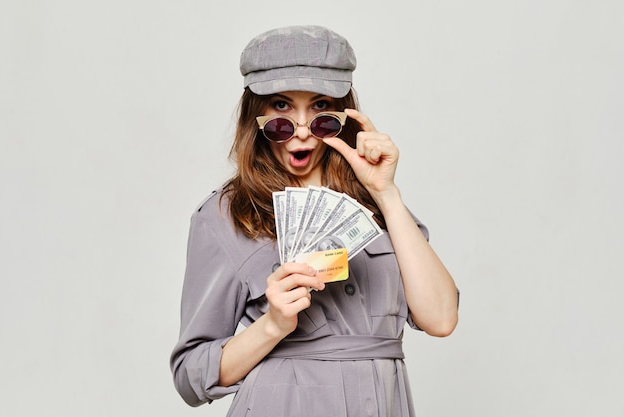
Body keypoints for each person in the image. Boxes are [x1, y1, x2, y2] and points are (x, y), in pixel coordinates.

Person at [170, 25, 459, 417]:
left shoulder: (372, 199)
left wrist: (387, 195)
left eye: (321, 107)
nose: (302, 130)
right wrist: (272, 325)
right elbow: (190, 376)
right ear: (256, 114)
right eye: (282, 107)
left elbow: (441, 318)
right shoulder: (225, 215)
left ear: (344, 113)